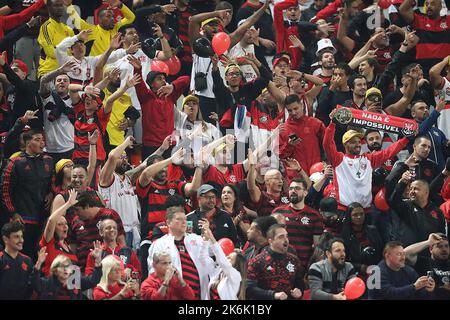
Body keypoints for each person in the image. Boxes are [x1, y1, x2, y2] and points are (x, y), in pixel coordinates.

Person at [323, 111, 409, 212]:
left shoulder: (368, 159)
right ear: (345, 145)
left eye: (359, 142)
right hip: (344, 210)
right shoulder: (338, 159)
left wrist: (406, 139)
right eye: (353, 142)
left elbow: (388, 152)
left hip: (365, 211)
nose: (358, 144)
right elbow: (327, 144)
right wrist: (332, 124)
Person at [1, 129, 55, 260]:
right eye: (37, 140)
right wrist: (13, 213)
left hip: (43, 219)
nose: (42, 143)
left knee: (39, 255)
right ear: (27, 143)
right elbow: (4, 191)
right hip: (23, 218)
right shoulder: (15, 163)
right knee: (22, 255)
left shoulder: (49, 160)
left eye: (42, 140)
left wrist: (51, 193)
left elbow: (54, 184)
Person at [127, 54, 189, 159]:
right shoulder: (145, 96)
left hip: (170, 145)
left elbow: (186, 79)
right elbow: (139, 82)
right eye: (159, 79)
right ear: (152, 84)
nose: (164, 81)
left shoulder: (170, 96)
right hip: (151, 146)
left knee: (169, 175)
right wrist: (138, 69)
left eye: (164, 78)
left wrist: (173, 86)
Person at [147, 206, 216, 300]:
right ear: (168, 223)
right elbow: (154, 273)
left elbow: (214, 251)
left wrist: (209, 234)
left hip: (200, 295)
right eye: (179, 219)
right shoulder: (159, 244)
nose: (184, 222)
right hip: (173, 295)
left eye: (185, 219)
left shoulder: (196, 239)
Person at [98, 136, 141, 249]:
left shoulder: (127, 178)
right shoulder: (106, 178)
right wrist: (126, 142)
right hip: (115, 231)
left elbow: (145, 164)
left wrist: (162, 148)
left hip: (133, 230)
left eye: (125, 157)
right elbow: (112, 156)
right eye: (121, 157)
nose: (124, 160)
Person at [67, 190, 126, 271]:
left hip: (107, 270)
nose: (76, 213)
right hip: (84, 272)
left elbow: (121, 241)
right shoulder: (75, 221)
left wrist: (123, 266)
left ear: (87, 206)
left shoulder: (109, 215)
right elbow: (72, 250)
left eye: (77, 210)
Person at [272, 178, 323, 270]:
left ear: (305, 193)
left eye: (297, 188)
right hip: (279, 265)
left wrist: (311, 268)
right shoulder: (278, 212)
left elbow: (317, 247)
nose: (293, 191)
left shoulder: (315, 216)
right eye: (291, 188)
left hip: (303, 266)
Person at [247, 224, 304, 300]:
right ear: (271, 241)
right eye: (281, 237)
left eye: (286, 236)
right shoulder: (257, 261)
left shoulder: (294, 260)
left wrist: (299, 291)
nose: (286, 239)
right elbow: (249, 288)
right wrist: (273, 295)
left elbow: (300, 283)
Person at [389, 171, 446, 244]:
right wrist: (403, 182)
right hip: (409, 252)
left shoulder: (437, 211)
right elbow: (393, 201)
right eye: (411, 189)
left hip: (429, 251)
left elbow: (441, 234)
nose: (411, 191)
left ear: (426, 192)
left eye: (416, 189)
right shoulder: (405, 206)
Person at [32, 244, 103, 300]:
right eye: (62, 266)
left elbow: (93, 280)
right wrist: (39, 263)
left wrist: (97, 261)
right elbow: (35, 283)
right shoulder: (48, 283)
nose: (66, 269)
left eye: (68, 267)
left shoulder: (75, 282)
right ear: (55, 270)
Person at [66, 0, 135, 57]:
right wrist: (69, 6)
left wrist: (120, 5)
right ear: (100, 19)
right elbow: (76, 19)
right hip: (95, 68)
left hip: (112, 68)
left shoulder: (116, 28)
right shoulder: (90, 30)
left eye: (113, 17)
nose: (112, 19)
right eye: (108, 16)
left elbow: (131, 18)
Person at [368, 241, 435, 300]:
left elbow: (419, 294)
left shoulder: (409, 271)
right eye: (399, 254)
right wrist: (414, 287)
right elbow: (390, 294)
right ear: (387, 256)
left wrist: (428, 290)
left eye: (403, 254)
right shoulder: (376, 273)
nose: (403, 258)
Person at [399, 0, 450, 75]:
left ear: (440, 6)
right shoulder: (420, 20)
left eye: (432, 3)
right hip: (423, 69)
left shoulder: (448, 20)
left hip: (445, 68)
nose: (429, 6)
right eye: (427, 4)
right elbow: (403, 10)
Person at [277, 94, 325, 174]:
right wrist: (289, 145)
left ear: (302, 105)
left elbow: (328, 144)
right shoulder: (283, 129)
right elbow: (280, 155)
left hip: (316, 171)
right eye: (290, 110)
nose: (294, 112)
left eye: (296, 108)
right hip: (296, 176)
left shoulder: (315, 123)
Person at [202, 219, 246, 300]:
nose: (226, 257)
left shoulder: (236, 275)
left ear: (236, 264)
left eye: (230, 258)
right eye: (227, 256)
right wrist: (205, 239)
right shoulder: (218, 272)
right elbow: (204, 259)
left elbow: (223, 261)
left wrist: (211, 236)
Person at [39, 189, 79, 276]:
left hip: (68, 288)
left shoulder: (69, 247)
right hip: (51, 288)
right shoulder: (49, 243)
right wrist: (68, 204)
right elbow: (51, 220)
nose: (65, 226)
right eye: (60, 224)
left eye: (66, 224)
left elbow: (75, 280)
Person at [339, 202, 384, 276]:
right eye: (355, 215)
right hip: (355, 272)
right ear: (349, 216)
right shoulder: (344, 235)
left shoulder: (372, 230)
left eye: (361, 214)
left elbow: (381, 250)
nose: (359, 217)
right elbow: (343, 260)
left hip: (375, 269)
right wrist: (359, 267)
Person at [404, 233, 450, 299]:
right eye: (440, 246)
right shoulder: (423, 262)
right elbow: (405, 254)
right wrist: (428, 242)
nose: (444, 249)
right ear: (431, 249)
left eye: (446, 246)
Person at [37, 0, 76, 77]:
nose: (59, 8)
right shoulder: (46, 27)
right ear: (49, 8)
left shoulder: (68, 30)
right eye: (56, 5)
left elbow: (75, 52)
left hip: (67, 73)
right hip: (49, 72)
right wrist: (68, 51)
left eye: (61, 5)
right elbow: (50, 52)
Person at [411, 99, 448, 171]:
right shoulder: (410, 128)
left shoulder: (437, 131)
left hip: (441, 174)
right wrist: (436, 111)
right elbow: (421, 131)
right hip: (421, 173)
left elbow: (445, 150)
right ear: (413, 114)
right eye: (421, 108)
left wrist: (448, 144)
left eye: (427, 108)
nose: (425, 110)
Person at [0, 222, 33, 299]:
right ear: (5, 239)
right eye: (16, 237)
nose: (21, 240)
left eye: (22, 236)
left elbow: (32, 287)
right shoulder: (1, 259)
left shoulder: (27, 260)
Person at [429, 55, 450, 139]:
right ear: (447, 69)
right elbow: (433, 72)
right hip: (445, 127)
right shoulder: (443, 82)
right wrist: (445, 61)